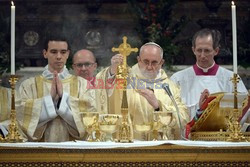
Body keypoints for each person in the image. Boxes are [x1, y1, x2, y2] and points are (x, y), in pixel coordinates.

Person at [100, 42, 189, 140]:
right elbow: (105, 92)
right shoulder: (125, 79)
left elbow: (183, 119)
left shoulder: (169, 87)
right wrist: (112, 71)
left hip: (159, 148)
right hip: (129, 146)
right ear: (138, 60)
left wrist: (158, 106)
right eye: (146, 62)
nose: (150, 67)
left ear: (161, 62)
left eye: (154, 62)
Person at [16, 34, 96, 142]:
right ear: (45, 53)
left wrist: (63, 98)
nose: (59, 56)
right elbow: (21, 118)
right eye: (54, 52)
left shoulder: (83, 85)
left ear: (67, 54)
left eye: (63, 52)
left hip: (74, 153)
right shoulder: (28, 85)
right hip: (39, 153)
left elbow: (91, 119)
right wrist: (49, 99)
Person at [170, 28, 249, 131]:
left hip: (222, 138)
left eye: (207, 50)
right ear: (193, 50)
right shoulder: (178, 79)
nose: (202, 55)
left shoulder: (231, 79)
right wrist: (199, 108)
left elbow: (244, 109)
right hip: (189, 139)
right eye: (199, 50)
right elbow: (172, 112)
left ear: (216, 51)